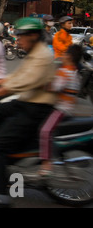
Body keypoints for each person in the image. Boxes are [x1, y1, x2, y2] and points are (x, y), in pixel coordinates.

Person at [0, 17, 57, 208]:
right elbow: (16, 76)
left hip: (34, 109)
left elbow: (16, 85)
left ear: (33, 36)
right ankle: (3, 152)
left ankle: (1, 199)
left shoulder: (42, 56)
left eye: (20, 36)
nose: (17, 40)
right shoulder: (33, 53)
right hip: (24, 102)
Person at [39, 44, 82, 177]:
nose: (61, 56)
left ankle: (46, 163)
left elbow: (54, 87)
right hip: (65, 107)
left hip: (61, 109)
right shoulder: (73, 71)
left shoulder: (65, 71)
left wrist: (42, 83)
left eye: (64, 54)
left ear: (69, 57)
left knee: (45, 131)